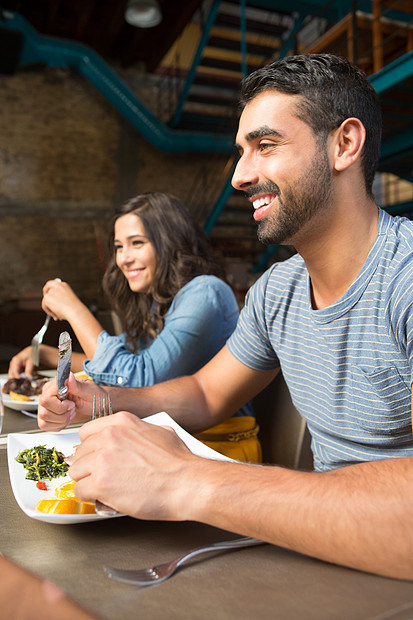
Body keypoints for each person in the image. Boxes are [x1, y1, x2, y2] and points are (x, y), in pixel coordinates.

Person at [38, 54, 413, 580]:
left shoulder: (406, 278)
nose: (239, 176)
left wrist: (185, 480)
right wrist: (102, 400)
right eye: (241, 152)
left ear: (344, 145)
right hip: (321, 558)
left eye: (265, 146)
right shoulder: (276, 291)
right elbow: (206, 395)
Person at [10, 192, 260, 461]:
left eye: (136, 243)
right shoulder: (157, 301)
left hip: (216, 451)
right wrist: (47, 355)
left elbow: (136, 379)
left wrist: (74, 310)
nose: (123, 259)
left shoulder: (205, 292)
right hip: (170, 442)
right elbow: (122, 365)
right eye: (119, 247)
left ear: (170, 244)